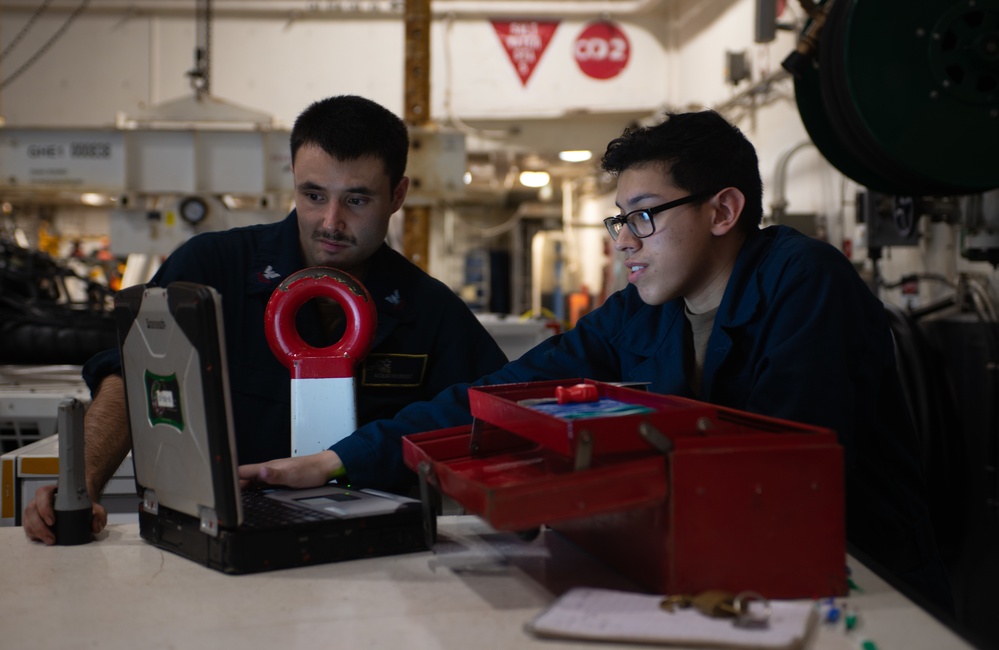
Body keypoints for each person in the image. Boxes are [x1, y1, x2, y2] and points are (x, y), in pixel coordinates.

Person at [241, 109, 953, 613]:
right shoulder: (640, 312)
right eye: (618, 219)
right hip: (723, 576)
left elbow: (776, 465)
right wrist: (337, 461)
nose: (623, 240)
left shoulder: (804, 278)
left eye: (642, 215)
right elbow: (499, 393)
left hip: (859, 586)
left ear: (723, 210)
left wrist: (577, 491)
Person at [23, 94, 508, 543]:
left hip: (375, 555)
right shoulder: (211, 271)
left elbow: (493, 418)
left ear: (397, 194)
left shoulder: (430, 311)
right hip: (213, 540)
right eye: (314, 195)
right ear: (293, 179)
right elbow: (133, 378)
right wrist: (80, 486)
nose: (331, 222)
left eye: (357, 200)